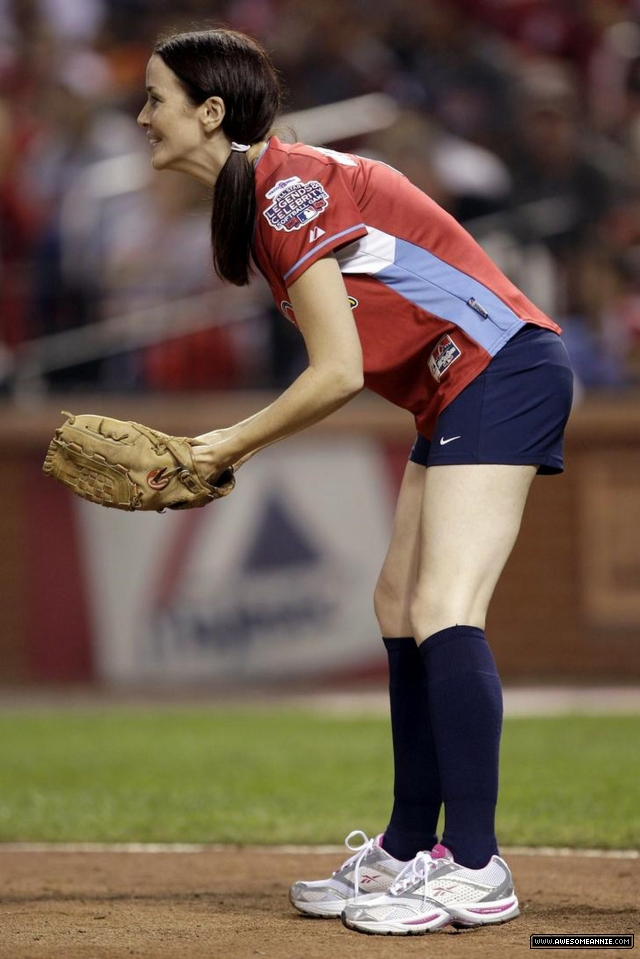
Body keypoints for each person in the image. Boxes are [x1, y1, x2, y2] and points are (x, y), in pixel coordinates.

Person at [137, 27, 574, 937]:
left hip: (499, 366)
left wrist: (226, 444)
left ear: (209, 112)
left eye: (156, 99)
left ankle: (479, 864)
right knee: (398, 604)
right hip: (460, 378)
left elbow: (336, 371)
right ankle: (411, 844)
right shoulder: (259, 197)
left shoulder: (284, 190)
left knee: (447, 604)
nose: (142, 117)